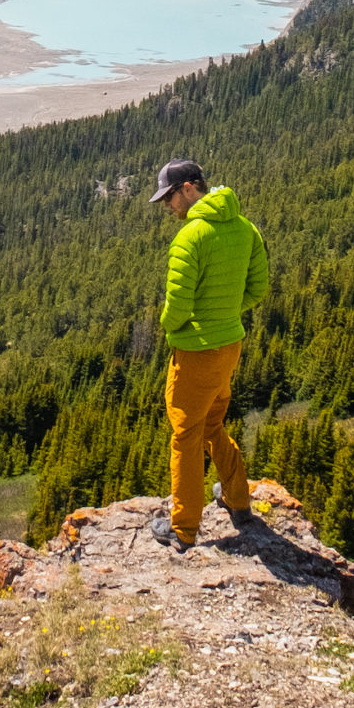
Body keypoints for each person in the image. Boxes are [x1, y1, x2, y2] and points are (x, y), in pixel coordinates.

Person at [144, 158, 270, 550]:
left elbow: (177, 307)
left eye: (168, 197)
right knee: (212, 425)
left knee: (185, 434)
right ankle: (237, 500)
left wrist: (171, 326)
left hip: (196, 352)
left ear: (188, 188)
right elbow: (258, 289)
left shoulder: (190, 237)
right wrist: (226, 314)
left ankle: (182, 529)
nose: (166, 206)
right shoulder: (246, 228)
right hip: (230, 346)